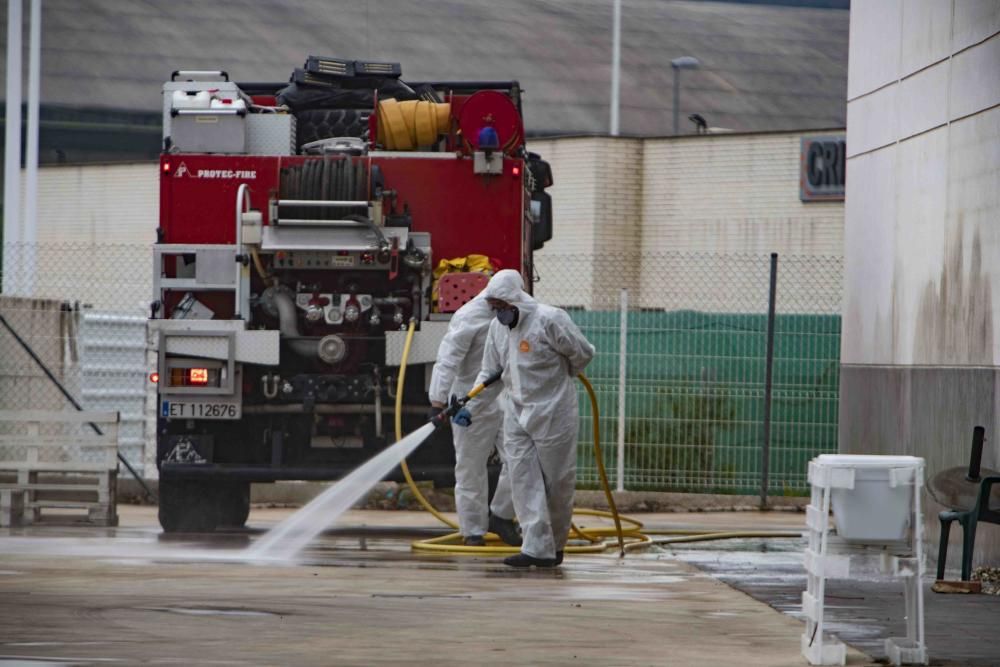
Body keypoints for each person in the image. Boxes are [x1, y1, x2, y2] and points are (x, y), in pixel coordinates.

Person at [475, 270, 595, 567]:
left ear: (517, 300)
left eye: (503, 306)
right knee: (522, 479)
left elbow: (582, 353)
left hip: (554, 412)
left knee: (556, 482)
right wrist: (471, 404)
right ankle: (535, 548)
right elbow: (490, 371)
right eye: (495, 307)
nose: (500, 313)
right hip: (516, 414)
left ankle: (554, 547)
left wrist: (557, 380)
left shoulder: (549, 319)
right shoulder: (497, 330)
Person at [429, 287, 521, 547]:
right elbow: (447, 360)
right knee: (471, 467)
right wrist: (437, 402)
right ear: (492, 299)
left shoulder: (519, 312)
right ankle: (473, 531)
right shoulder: (469, 317)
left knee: (521, 459)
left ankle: (502, 516)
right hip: (469, 400)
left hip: (506, 395)